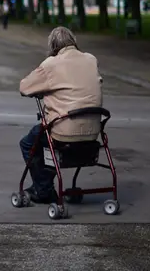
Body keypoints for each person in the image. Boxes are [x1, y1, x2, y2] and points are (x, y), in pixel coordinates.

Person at [17, 26, 103, 204]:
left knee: (29, 143)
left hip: (64, 129)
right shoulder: (91, 59)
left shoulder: (51, 64)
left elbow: (24, 87)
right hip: (93, 129)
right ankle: (44, 186)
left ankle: (43, 189)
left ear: (53, 46)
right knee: (44, 140)